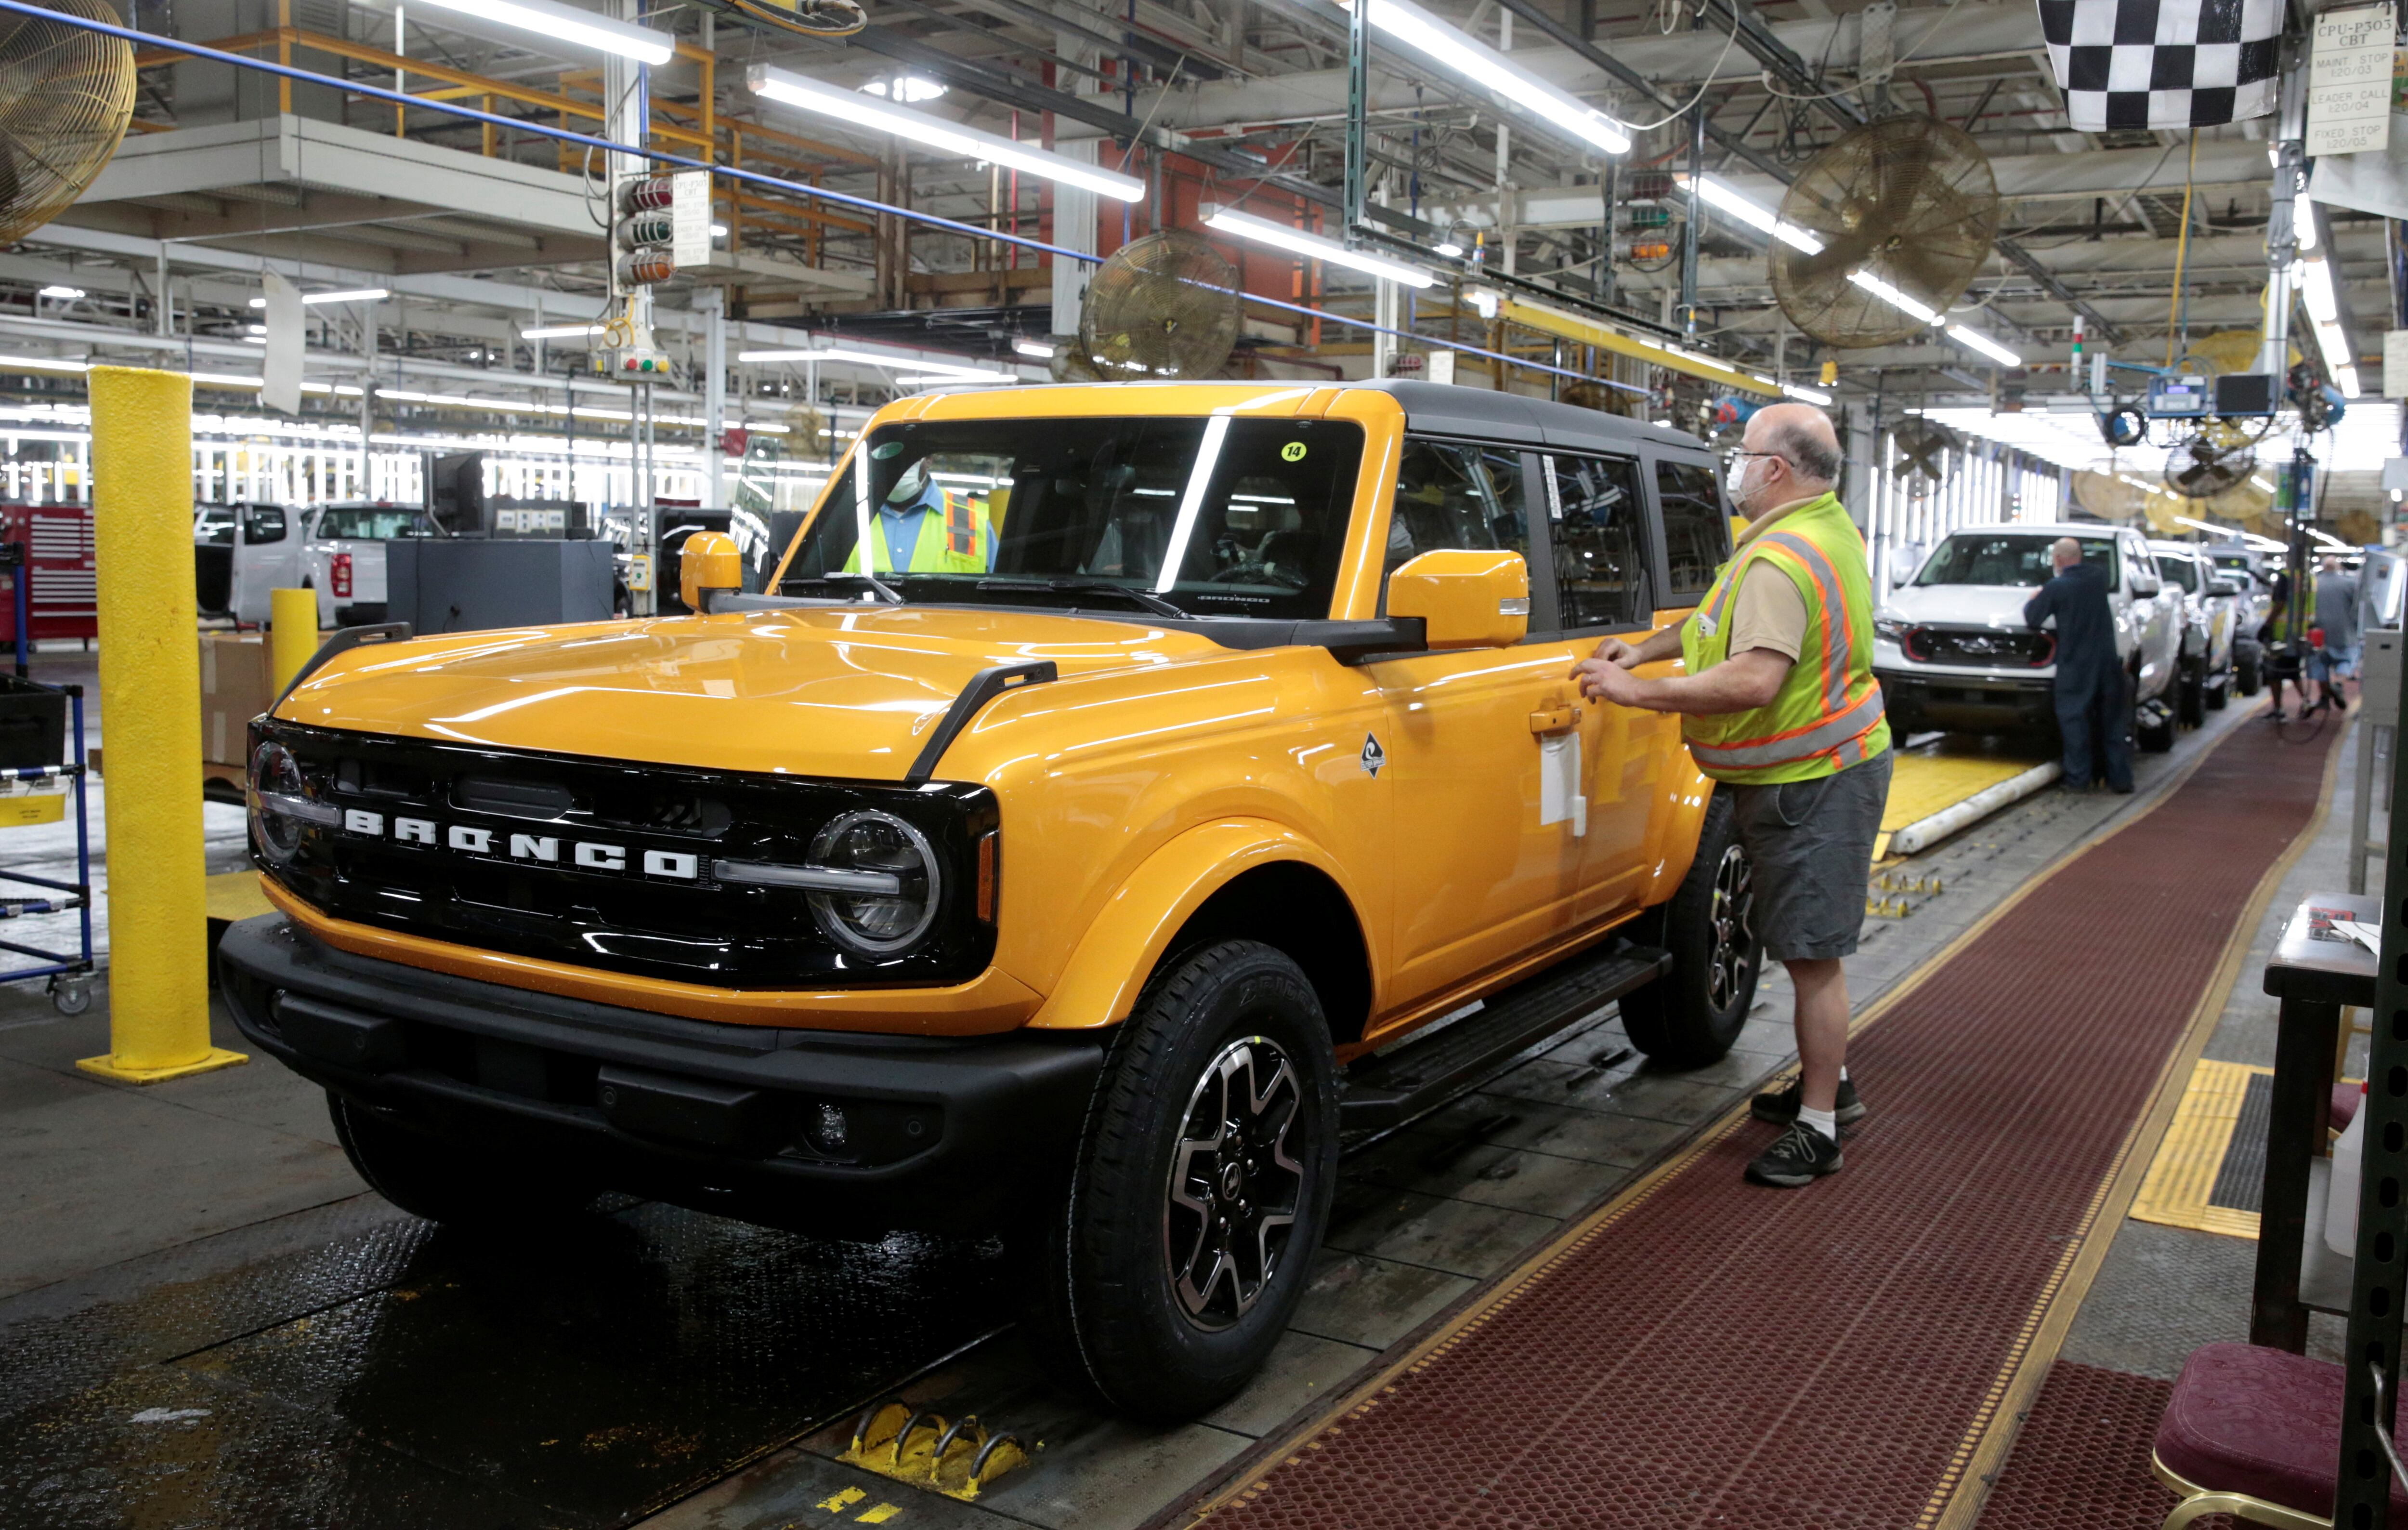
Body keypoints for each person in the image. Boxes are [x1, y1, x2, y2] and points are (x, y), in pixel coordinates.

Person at [1572, 403, 1890, 1190]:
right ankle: (1831, 1082)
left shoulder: (1781, 558)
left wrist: (1636, 692)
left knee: (1812, 958)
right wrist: (1642, 649)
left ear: (1776, 470)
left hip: (1812, 781)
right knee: (1801, 943)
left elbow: (1753, 678)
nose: (1734, 469)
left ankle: (1821, 1126)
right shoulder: (1818, 533)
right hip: (1817, 771)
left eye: (1742, 455)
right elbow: (1719, 623)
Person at [2022, 537, 2132, 794]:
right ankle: (2121, 780)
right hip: (2107, 664)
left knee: (2075, 722)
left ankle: (2078, 780)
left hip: (2076, 665)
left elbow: (2033, 618)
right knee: (2113, 724)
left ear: (2058, 559)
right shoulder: (2098, 578)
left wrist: (2034, 598)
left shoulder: (2057, 587)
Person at [845, 458, 996, 574]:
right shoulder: (847, 518)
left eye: (908, 458)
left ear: (929, 459)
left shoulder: (974, 520)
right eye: (891, 459)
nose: (898, 468)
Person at [2309, 553, 2361, 714]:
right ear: (2338, 568)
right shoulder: (2350, 584)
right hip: (2344, 632)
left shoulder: (2314, 584)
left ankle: (2324, 697)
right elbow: (2358, 608)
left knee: (2319, 663)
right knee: (2346, 659)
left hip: (2318, 632)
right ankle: (2338, 683)